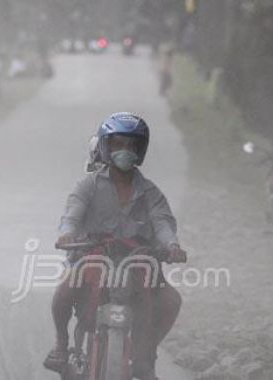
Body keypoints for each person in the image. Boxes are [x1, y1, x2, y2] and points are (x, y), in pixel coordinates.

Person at [44, 112, 187, 380]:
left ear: (140, 150)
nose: (125, 150)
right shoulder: (87, 186)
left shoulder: (151, 192)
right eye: (118, 144)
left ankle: (145, 356)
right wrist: (66, 235)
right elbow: (71, 216)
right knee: (63, 290)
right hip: (91, 257)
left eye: (132, 145)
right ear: (105, 147)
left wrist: (172, 245)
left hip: (137, 260)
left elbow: (163, 223)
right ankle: (61, 346)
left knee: (170, 300)